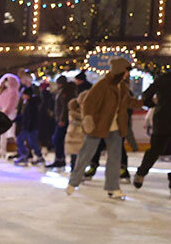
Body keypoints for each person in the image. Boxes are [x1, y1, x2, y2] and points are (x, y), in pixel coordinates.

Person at [67, 58, 133, 199]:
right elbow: (89, 102)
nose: (128, 74)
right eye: (126, 71)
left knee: (115, 157)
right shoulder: (102, 85)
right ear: (119, 70)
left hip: (115, 127)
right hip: (98, 126)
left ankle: (113, 187)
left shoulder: (122, 86)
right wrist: (88, 119)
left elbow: (128, 101)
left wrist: (147, 102)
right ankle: (73, 182)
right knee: (86, 154)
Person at [132, 68, 171, 191]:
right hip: (163, 119)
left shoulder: (162, 79)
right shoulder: (163, 79)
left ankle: (141, 173)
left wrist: (153, 104)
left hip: (162, 118)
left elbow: (146, 95)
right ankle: (141, 173)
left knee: (155, 149)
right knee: (155, 149)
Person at [49, 76, 74, 169]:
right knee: (57, 139)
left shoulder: (65, 92)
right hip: (60, 119)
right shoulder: (61, 91)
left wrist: (62, 119)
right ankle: (60, 158)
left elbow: (64, 107)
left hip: (63, 120)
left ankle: (60, 159)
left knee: (57, 138)